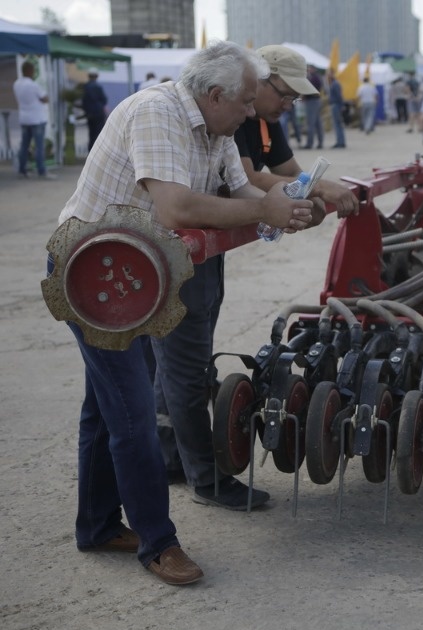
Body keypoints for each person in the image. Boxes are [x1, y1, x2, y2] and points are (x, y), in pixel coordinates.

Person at [53, 41, 314, 586]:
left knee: (104, 411)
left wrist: (288, 204)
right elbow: (175, 205)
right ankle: (158, 543)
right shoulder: (157, 112)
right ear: (214, 93)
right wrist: (263, 207)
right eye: (245, 102)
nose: (251, 113)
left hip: (138, 271)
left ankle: (98, 525)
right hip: (95, 272)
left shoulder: (215, 127)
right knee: (131, 416)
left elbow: (243, 190)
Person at [152, 44, 357, 513]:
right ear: (255, 84)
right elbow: (231, 189)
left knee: (176, 359)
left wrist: (299, 201)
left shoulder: (249, 121)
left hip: (197, 249)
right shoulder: (205, 117)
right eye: (283, 94)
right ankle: (203, 477)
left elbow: (275, 180)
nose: (288, 105)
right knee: (183, 364)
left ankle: (169, 456)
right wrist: (294, 201)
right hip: (172, 250)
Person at [14, 60, 54, 180]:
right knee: (39, 146)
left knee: (24, 146)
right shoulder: (33, 85)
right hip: (37, 119)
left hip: (24, 118)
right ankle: (42, 171)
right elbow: (45, 98)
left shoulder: (16, 83)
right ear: (30, 71)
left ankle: (22, 170)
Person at [81, 71, 108, 151]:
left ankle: (90, 151)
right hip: (98, 113)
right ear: (96, 77)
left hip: (89, 113)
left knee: (91, 133)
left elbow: (84, 101)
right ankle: (98, 151)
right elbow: (104, 100)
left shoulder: (85, 87)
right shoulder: (98, 87)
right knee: (99, 133)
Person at [302, 64, 324, 149]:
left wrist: (304, 96)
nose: (308, 70)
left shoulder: (313, 78)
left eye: (310, 68)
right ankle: (320, 142)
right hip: (316, 101)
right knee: (318, 123)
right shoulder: (317, 77)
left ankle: (309, 143)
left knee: (310, 123)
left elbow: (309, 90)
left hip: (312, 101)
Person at [327, 69, 347, 148]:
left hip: (336, 105)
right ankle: (340, 141)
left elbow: (339, 96)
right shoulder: (333, 84)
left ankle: (340, 142)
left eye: (329, 74)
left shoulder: (335, 84)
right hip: (335, 105)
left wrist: (341, 105)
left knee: (337, 124)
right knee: (337, 124)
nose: (328, 76)